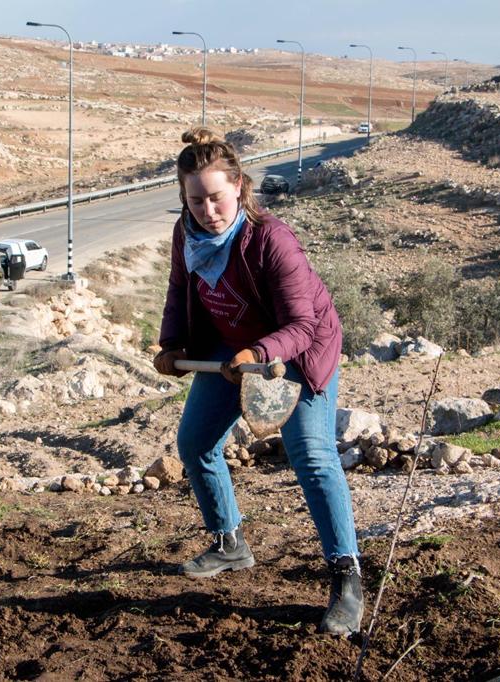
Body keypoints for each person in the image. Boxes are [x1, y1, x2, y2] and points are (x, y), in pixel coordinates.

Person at [153, 128, 363, 636]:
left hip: (296, 349)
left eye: (217, 198)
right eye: (196, 199)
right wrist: (172, 344)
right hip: (234, 348)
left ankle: (347, 577)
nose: (208, 210)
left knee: (310, 455)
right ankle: (230, 544)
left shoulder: (272, 238)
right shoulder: (188, 233)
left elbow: (302, 324)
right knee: (196, 443)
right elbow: (181, 287)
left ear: (239, 187)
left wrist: (257, 354)